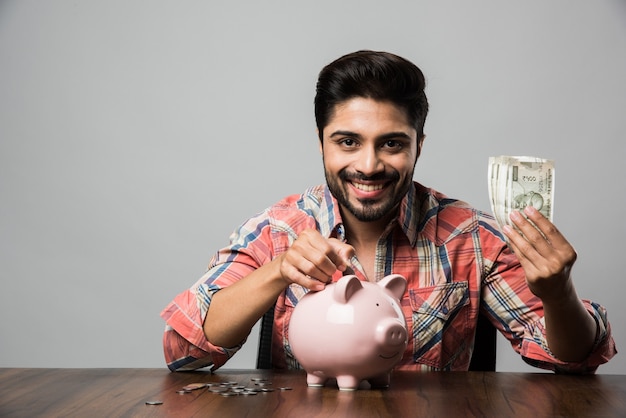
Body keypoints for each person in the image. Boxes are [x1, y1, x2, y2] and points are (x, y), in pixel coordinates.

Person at [161, 50, 616, 373]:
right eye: (348, 142)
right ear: (321, 142)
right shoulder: (277, 230)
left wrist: (558, 295)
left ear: (419, 145)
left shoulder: (475, 238)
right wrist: (278, 271)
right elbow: (184, 353)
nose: (369, 165)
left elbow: (576, 359)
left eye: (392, 143)